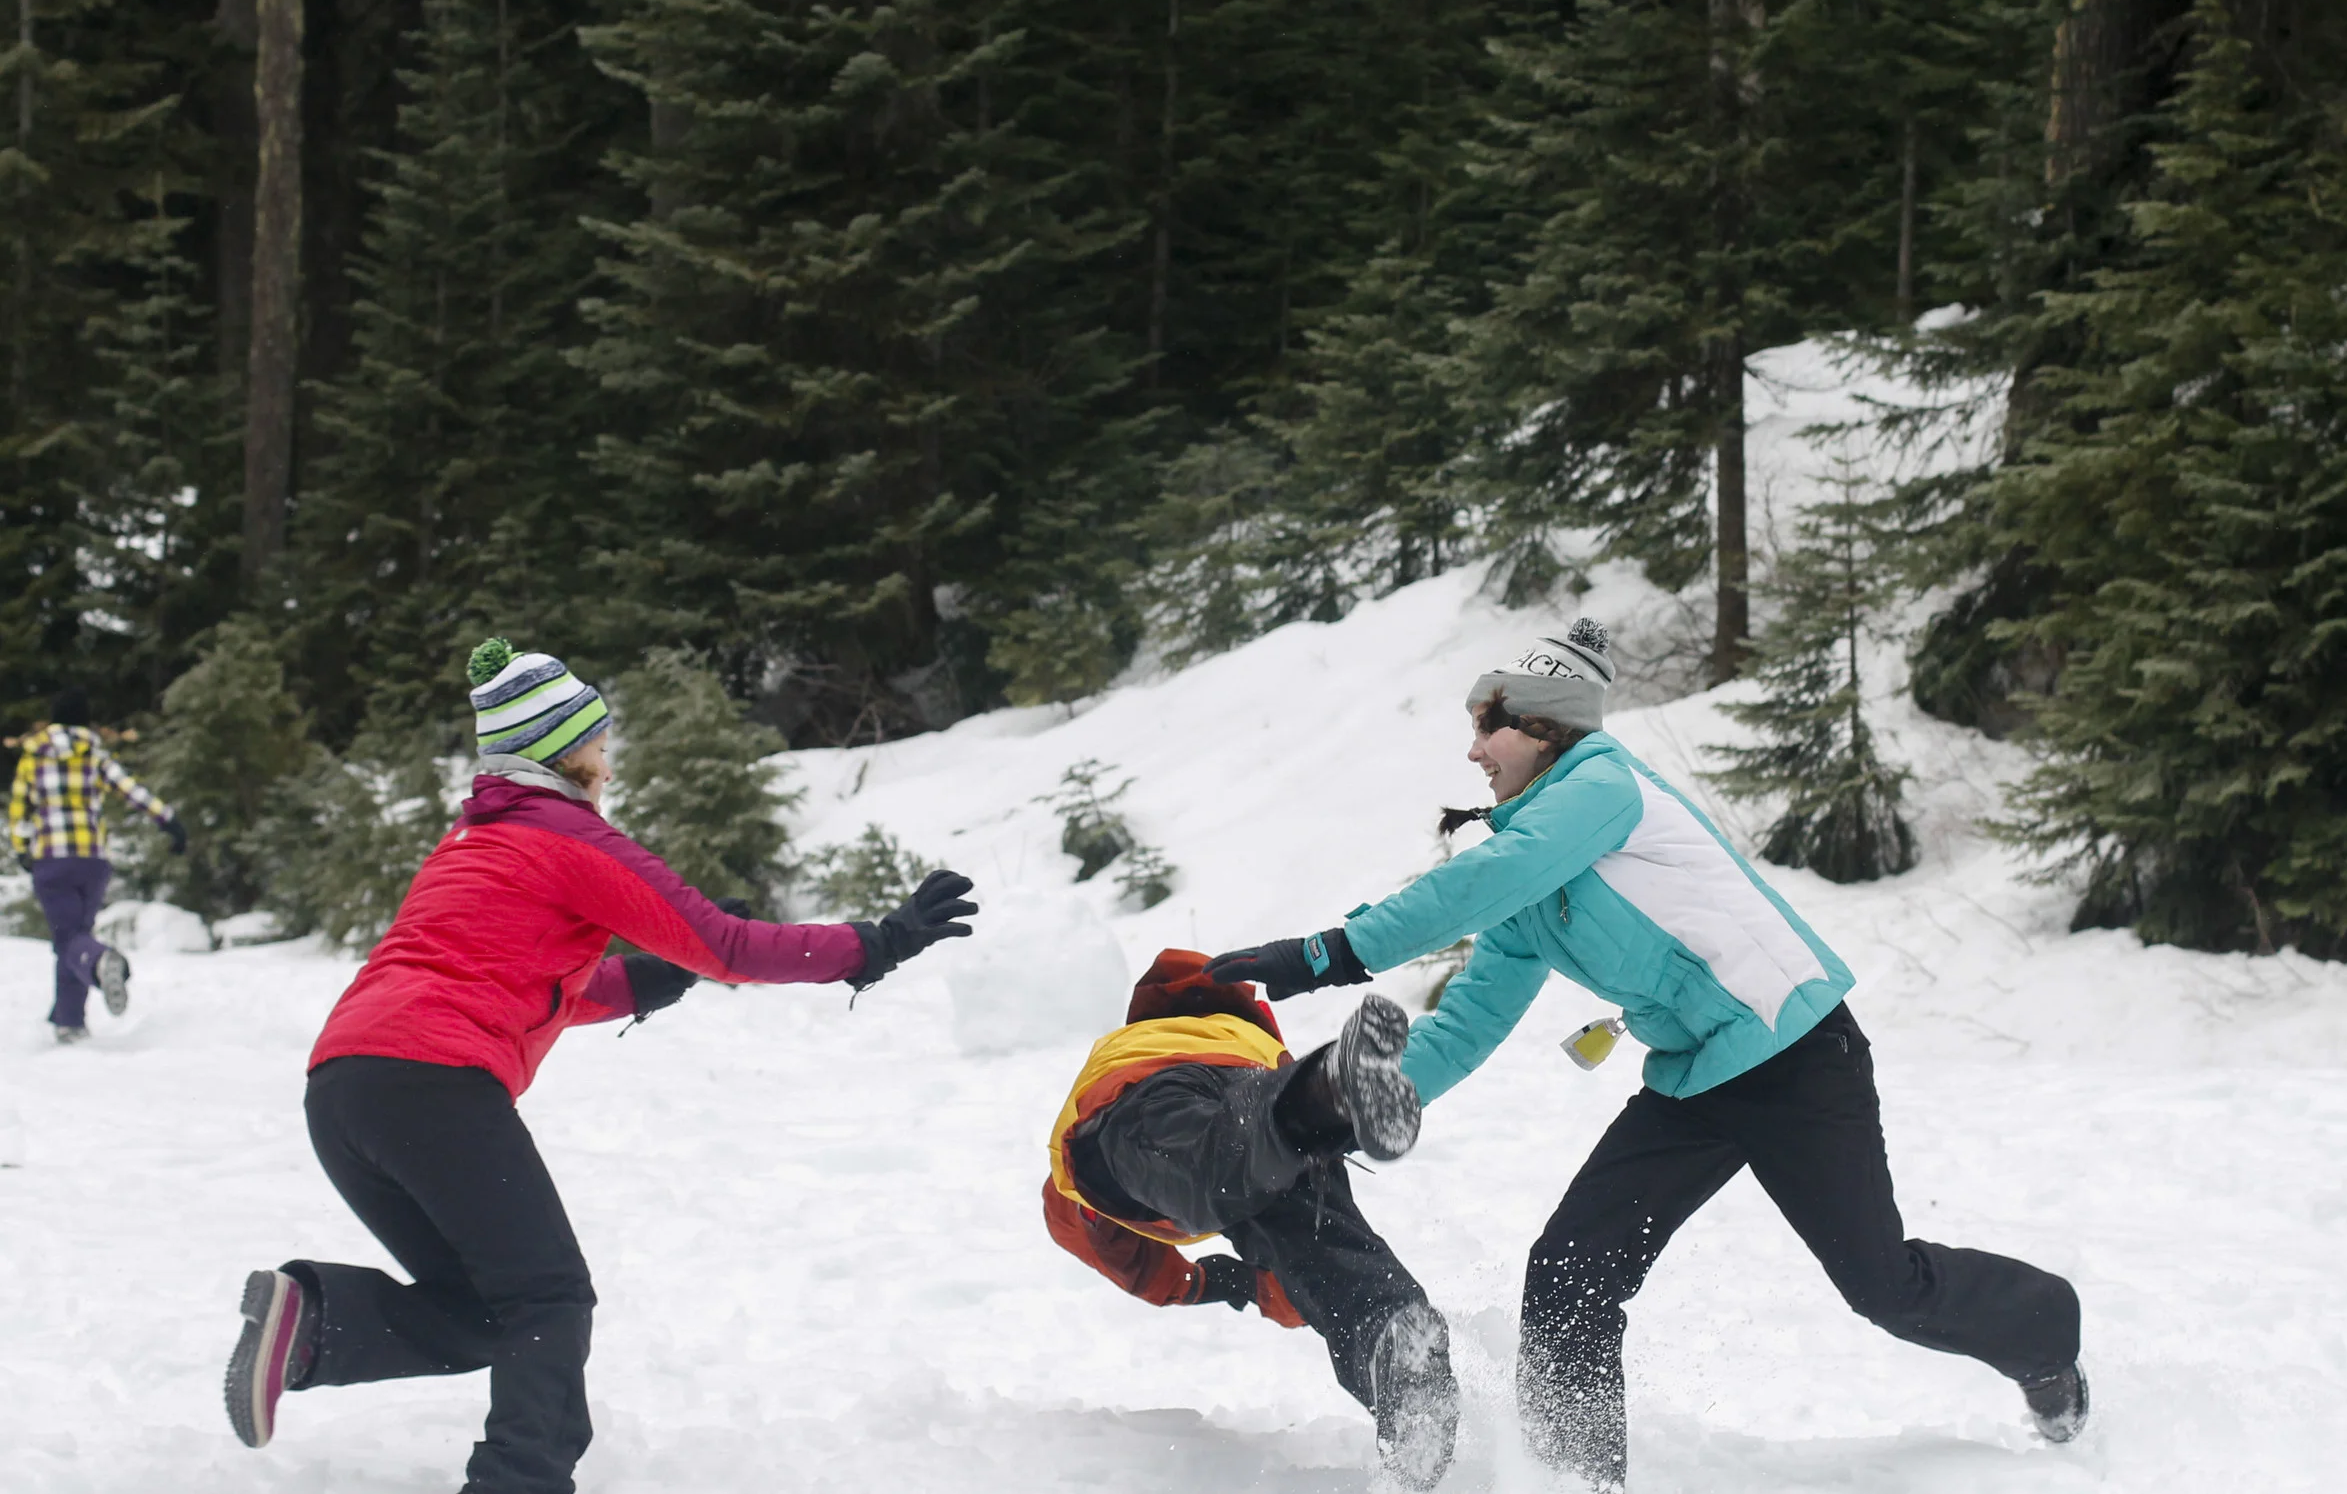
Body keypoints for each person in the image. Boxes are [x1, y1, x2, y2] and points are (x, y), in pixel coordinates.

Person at [1210, 618, 2087, 1491]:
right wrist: (1359, 1104)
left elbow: (1475, 880)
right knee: (1568, 1270)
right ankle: (1576, 1477)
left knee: (1882, 1285)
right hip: (1696, 1078)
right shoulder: (1530, 869)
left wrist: (1324, 953)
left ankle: (2044, 1329)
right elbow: (1472, 1016)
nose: (1473, 749)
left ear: (1547, 729)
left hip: (1794, 1054)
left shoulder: (1603, 787)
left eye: (1491, 726)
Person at [220, 639, 980, 1494]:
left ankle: (316, 1322)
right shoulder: (567, 836)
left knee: (487, 1308)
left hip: (345, 1092)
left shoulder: (474, 842)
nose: (609, 759)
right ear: (565, 749)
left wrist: (660, 975)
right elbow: (727, 943)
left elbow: (540, 988)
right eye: (599, 741)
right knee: (548, 1298)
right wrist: (876, 942)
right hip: (432, 1081)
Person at [1044, 948, 1460, 1490]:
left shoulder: (1134, 1044)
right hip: (1264, 1082)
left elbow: (1097, 1238)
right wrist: (1270, 1287)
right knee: (1320, 1238)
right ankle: (1391, 1335)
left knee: (1200, 1165)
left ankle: (1316, 1098)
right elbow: (1302, 1272)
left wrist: (1202, 1284)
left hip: (1140, 1095)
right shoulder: (1250, 1040)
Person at [7, 686, 186, 1042]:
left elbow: (18, 808)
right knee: (74, 936)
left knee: (70, 938)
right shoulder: (94, 756)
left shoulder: (35, 755)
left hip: (52, 859)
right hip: (92, 861)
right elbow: (132, 790)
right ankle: (69, 1021)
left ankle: (100, 963)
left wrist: (21, 848)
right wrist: (169, 822)